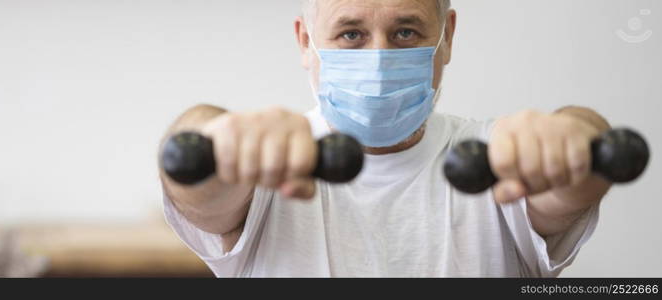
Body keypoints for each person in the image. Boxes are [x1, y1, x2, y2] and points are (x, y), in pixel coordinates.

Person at [158, 0, 612, 277]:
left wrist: (576, 133)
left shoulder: (499, 159)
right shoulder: (262, 164)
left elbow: (575, 182)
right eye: (351, 33)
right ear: (305, 42)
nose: (378, 58)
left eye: (405, 32)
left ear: (447, 37)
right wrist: (207, 133)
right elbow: (196, 186)